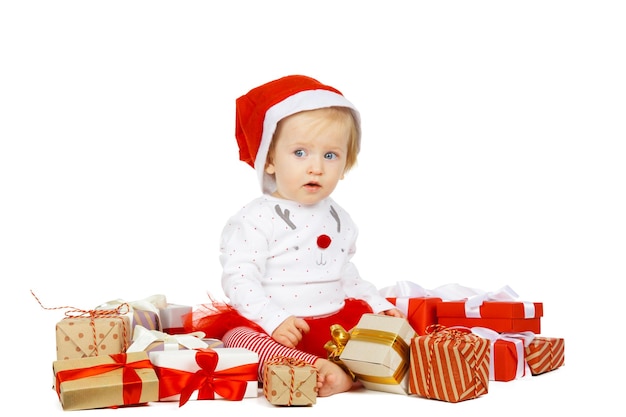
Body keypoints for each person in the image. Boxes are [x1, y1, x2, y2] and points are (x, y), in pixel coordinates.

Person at [192, 75, 404, 397]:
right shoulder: (255, 218)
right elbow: (239, 278)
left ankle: (340, 369)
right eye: (300, 153)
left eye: (330, 155)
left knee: (376, 335)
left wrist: (375, 303)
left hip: (333, 324)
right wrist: (273, 318)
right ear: (271, 160)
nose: (316, 167)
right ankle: (311, 366)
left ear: (346, 163)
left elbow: (344, 272)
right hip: (276, 327)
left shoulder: (339, 218)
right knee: (237, 339)